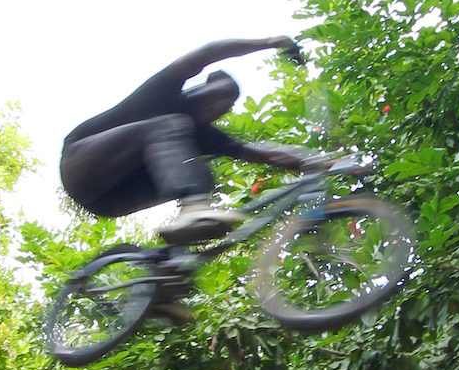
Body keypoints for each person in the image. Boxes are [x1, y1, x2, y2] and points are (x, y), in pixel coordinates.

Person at [59, 36, 313, 248]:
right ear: (203, 85)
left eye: (228, 105)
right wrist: (270, 42)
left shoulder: (203, 135)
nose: (221, 107)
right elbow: (205, 55)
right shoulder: (164, 91)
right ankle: (193, 210)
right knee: (172, 125)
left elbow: (264, 154)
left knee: (202, 173)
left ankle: (164, 283)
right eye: (221, 95)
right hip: (80, 164)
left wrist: (325, 163)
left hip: (110, 201)